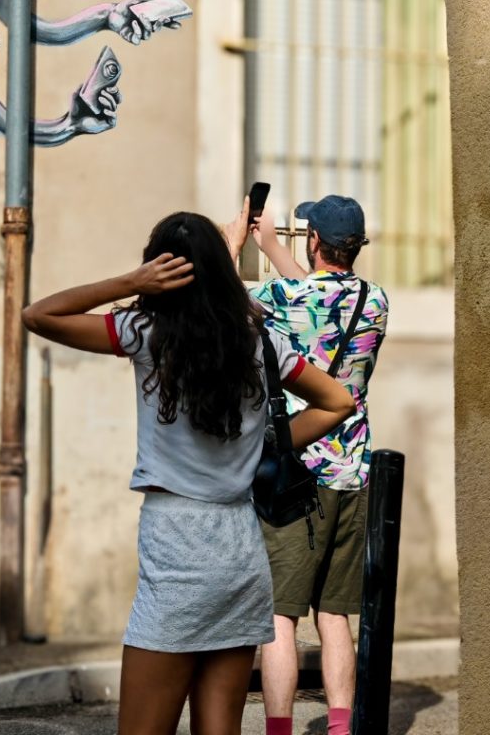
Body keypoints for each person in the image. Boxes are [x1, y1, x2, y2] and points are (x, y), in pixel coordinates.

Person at [22, 208, 355, 735]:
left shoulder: (146, 333)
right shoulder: (260, 342)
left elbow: (38, 316)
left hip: (176, 547)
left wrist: (129, 282)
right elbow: (337, 400)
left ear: (159, 269)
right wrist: (264, 448)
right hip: (240, 548)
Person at [231, 195, 389, 735]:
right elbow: (318, 305)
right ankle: (341, 727)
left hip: (294, 475)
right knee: (334, 615)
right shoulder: (376, 301)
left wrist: (240, 244)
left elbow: (232, 306)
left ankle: (279, 729)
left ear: (316, 241)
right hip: (354, 471)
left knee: (280, 616)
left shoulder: (278, 297)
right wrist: (274, 246)